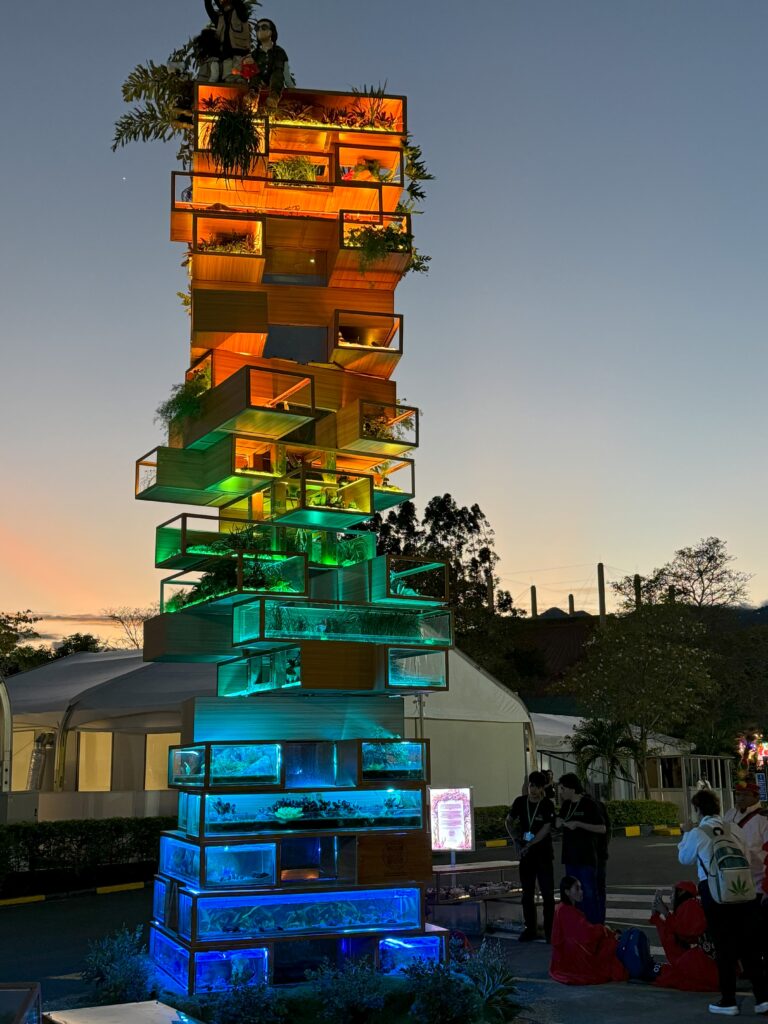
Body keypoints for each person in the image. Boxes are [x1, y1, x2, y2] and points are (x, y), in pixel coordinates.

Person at [678, 788, 768, 1016]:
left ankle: (728, 1001)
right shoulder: (734, 828)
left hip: (715, 891)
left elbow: (684, 858)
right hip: (742, 889)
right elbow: (746, 857)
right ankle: (763, 998)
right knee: (750, 945)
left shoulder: (699, 832)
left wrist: (685, 834)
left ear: (698, 810)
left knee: (724, 946)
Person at [549, 875, 628, 985]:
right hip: (575, 957)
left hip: (567, 955)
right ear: (567, 892)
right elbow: (587, 934)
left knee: (608, 939)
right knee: (611, 946)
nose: (581, 892)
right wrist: (604, 930)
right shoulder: (566, 911)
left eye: (580, 888)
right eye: (577, 889)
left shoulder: (563, 908)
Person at [506, 770, 555, 942]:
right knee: (527, 894)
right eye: (531, 785)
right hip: (526, 856)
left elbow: (546, 828)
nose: (533, 790)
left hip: (543, 854)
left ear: (542, 788)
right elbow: (509, 821)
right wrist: (516, 840)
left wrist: (530, 843)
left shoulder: (547, 804)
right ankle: (530, 928)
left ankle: (550, 931)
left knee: (547, 894)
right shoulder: (520, 802)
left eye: (537, 787)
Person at [650, 881, 718, 992]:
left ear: (681, 893)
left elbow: (683, 931)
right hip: (709, 956)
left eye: (673, 893)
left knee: (679, 970)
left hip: (708, 960)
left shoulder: (690, 905)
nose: (671, 898)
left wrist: (665, 913)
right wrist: (660, 917)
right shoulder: (692, 904)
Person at [556, 774, 606, 924]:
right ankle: (579, 924)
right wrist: (558, 822)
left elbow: (602, 828)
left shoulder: (589, 804)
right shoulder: (566, 805)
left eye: (563, 788)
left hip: (586, 857)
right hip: (570, 857)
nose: (561, 792)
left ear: (572, 788)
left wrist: (579, 824)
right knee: (572, 892)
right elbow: (559, 822)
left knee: (589, 892)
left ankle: (595, 925)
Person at [724, 780, 768, 900]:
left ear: (756, 796)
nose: (740, 798)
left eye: (745, 795)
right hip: (730, 882)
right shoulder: (729, 814)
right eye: (738, 794)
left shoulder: (764, 818)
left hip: (756, 884)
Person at [202, 0, 252, 82]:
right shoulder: (220, 19)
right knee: (228, 80)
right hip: (226, 58)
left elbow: (239, 5)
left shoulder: (240, 13)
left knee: (240, 80)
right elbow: (210, 9)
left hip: (239, 56)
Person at [249, 18, 291, 112]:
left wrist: (291, 87)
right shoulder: (255, 53)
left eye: (264, 27)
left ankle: (274, 98)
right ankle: (252, 96)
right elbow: (249, 71)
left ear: (271, 32)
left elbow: (285, 72)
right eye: (257, 28)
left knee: (277, 74)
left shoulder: (279, 51)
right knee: (255, 76)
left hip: (275, 80)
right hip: (259, 79)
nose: (260, 30)